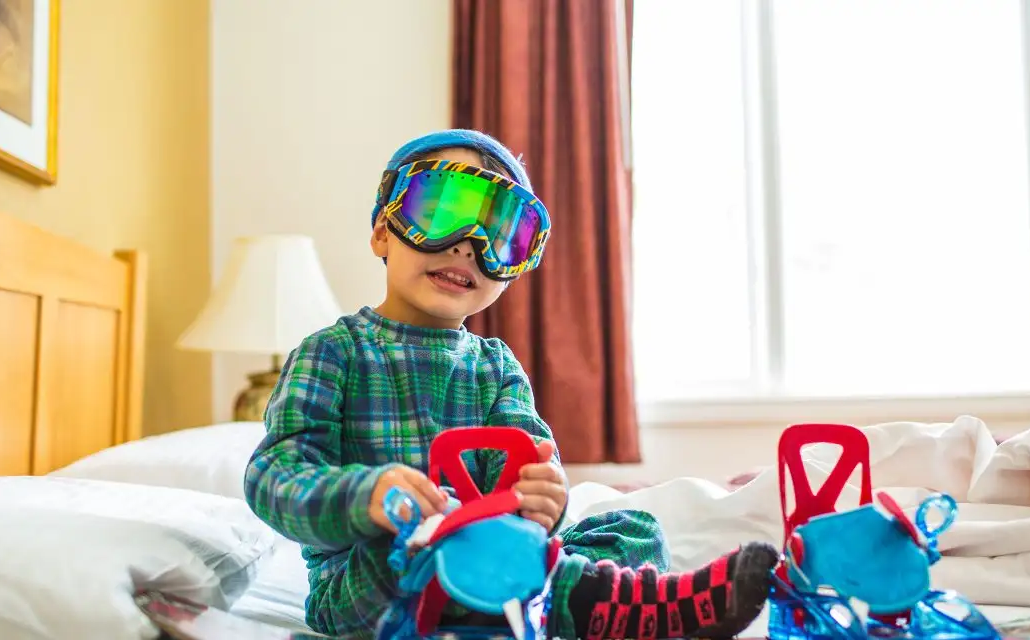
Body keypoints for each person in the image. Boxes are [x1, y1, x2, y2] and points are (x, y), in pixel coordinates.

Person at [244, 129, 778, 639]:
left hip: (498, 553)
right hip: (374, 577)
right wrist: (368, 496)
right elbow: (274, 477)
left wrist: (545, 497)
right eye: (443, 214)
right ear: (384, 230)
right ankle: (591, 606)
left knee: (635, 528)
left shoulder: (496, 365)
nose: (467, 246)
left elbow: (529, 467)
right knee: (422, 542)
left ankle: (547, 603)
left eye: (497, 235)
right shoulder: (333, 352)